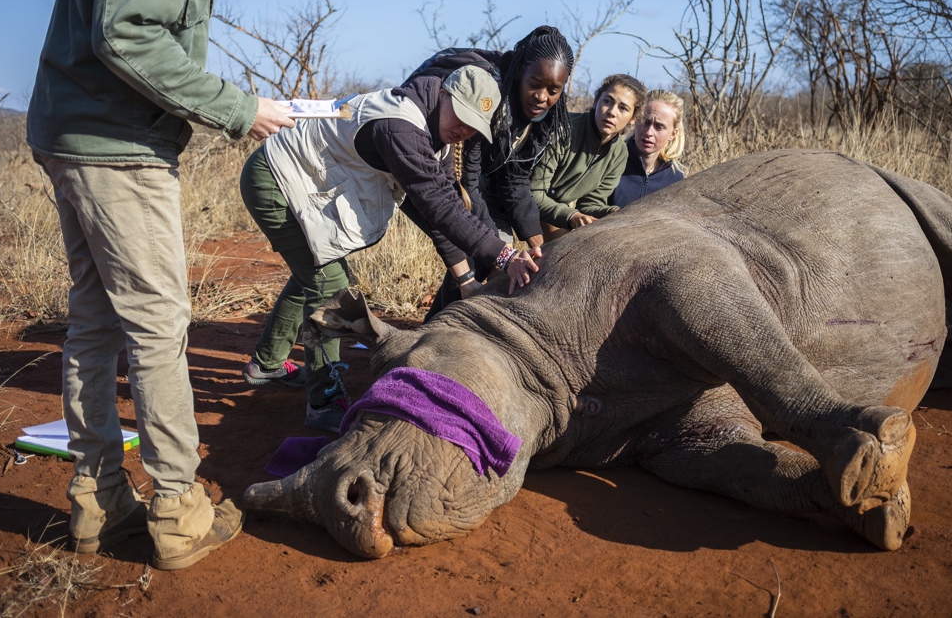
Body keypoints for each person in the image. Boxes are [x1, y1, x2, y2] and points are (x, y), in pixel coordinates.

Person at [27, 0, 303, 571]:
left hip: (77, 131)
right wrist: (238, 108)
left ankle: (98, 499)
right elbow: (127, 33)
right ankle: (178, 506)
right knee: (158, 319)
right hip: (117, 146)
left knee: (95, 319)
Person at [239, 65, 543, 432]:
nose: (463, 130)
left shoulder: (436, 137)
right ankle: (323, 403)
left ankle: (267, 363)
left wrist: (465, 280)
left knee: (315, 271)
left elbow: (439, 213)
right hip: (276, 180)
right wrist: (505, 255)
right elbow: (439, 207)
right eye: (462, 116)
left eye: (473, 126)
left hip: (303, 183)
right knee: (330, 285)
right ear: (444, 94)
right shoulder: (401, 126)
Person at [413, 26, 574, 315]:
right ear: (521, 72)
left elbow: (515, 178)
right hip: (430, 163)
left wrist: (538, 241)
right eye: (535, 84)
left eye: (553, 90)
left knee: (487, 251)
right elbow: (467, 180)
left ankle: (442, 330)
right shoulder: (488, 96)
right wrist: (497, 246)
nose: (541, 97)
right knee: (474, 249)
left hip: (464, 180)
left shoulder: (539, 118)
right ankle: (436, 335)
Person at [531, 74, 647, 240]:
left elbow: (590, 204)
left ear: (633, 119)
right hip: (517, 200)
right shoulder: (565, 130)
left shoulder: (620, 154)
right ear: (596, 102)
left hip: (552, 210)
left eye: (623, 108)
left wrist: (614, 212)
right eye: (607, 101)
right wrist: (572, 216)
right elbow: (534, 192)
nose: (612, 112)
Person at [610, 89, 687, 208]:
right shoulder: (611, 161)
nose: (649, 132)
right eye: (645, 122)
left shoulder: (675, 178)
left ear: (673, 134)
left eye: (659, 126)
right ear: (635, 121)